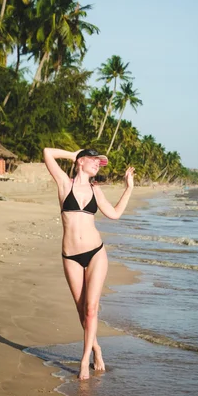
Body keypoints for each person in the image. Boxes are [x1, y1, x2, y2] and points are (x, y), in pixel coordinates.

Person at [43, 147, 135, 380]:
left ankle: (85, 361)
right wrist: (72, 154)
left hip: (96, 253)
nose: (98, 164)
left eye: (99, 162)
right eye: (94, 160)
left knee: (91, 309)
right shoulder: (65, 184)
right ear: (81, 161)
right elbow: (47, 152)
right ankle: (95, 347)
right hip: (70, 256)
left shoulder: (96, 190)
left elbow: (114, 214)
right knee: (81, 309)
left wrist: (129, 189)